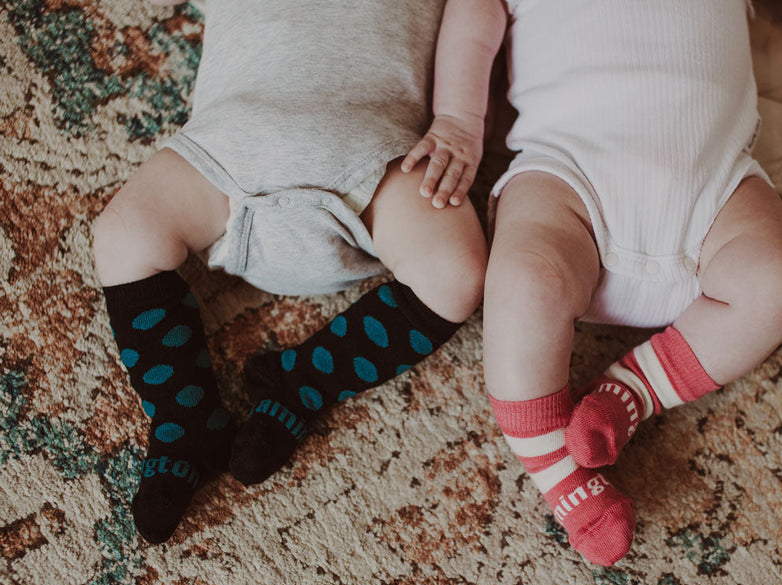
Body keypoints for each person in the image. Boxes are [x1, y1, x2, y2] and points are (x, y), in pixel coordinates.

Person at [404, 0, 782, 565]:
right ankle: (556, 470)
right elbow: (473, 16)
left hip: (713, 192)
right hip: (570, 182)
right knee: (522, 282)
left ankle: (633, 392)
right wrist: (459, 122)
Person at [93, 0, 487, 544]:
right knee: (122, 235)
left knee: (458, 273)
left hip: (379, 160)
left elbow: (477, 11)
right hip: (222, 157)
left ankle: (305, 379)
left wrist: (459, 120)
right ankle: (184, 420)